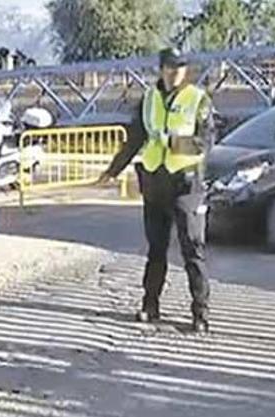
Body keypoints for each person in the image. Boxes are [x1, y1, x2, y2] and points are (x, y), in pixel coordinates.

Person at [97, 47, 214, 333]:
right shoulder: (148, 99)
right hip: (155, 183)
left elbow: (205, 142)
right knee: (156, 250)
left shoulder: (197, 99)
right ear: (161, 69)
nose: (176, 73)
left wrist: (171, 141)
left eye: (181, 68)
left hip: (186, 185)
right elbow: (135, 138)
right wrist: (113, 170)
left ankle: (200, 314)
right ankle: (150, 305)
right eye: (171, 67)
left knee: (192, 251)